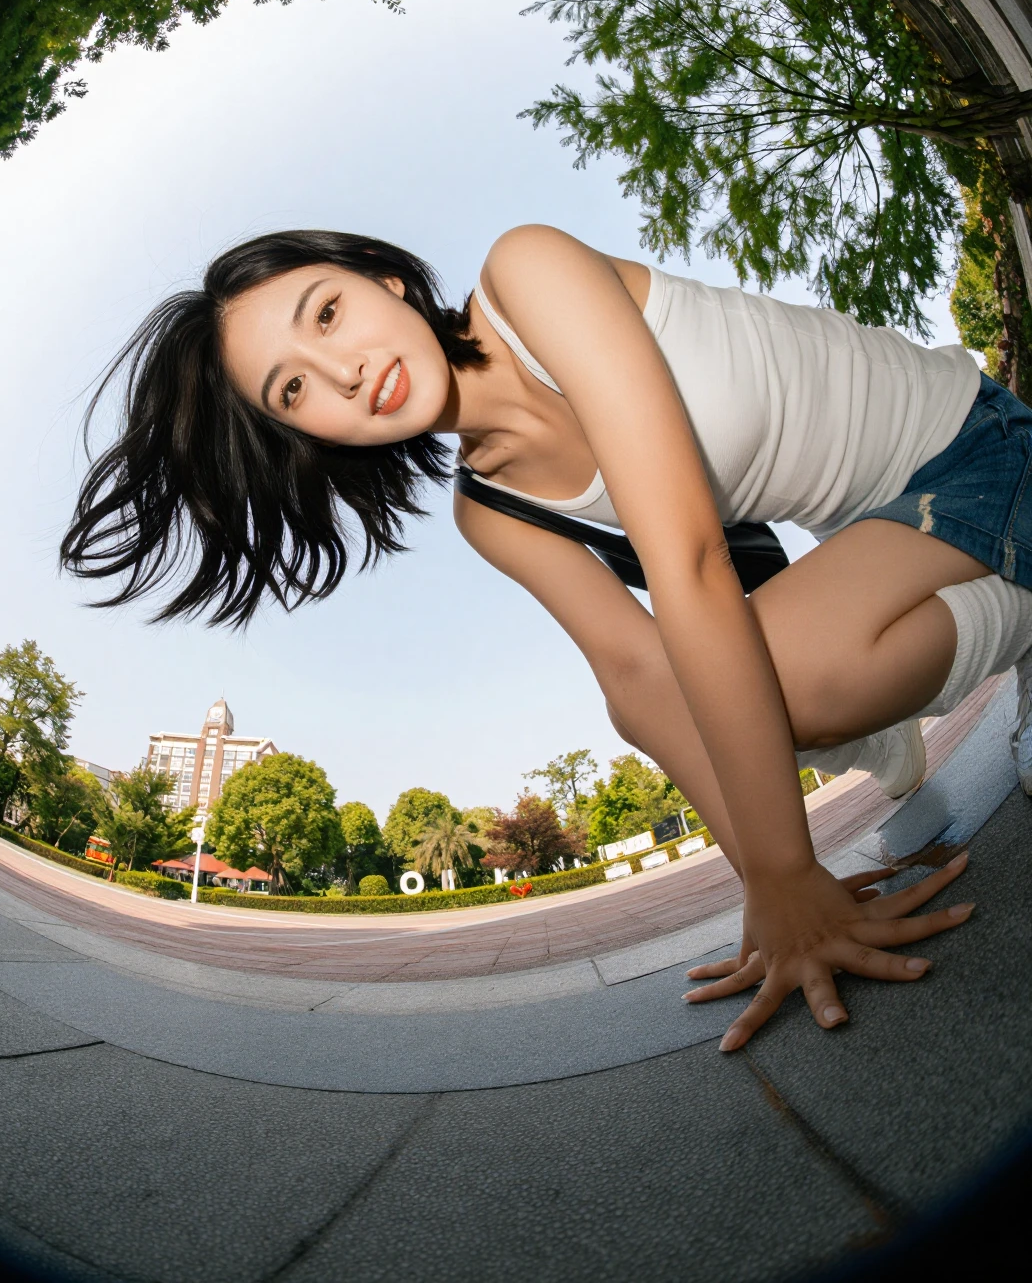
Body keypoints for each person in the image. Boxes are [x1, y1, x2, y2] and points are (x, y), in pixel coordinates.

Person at [62, 226, 1032, 1049]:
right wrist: (777, 897)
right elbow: (637, 679)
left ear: (386, 280)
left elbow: (691, 562)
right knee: (672, 692)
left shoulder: (528, 276)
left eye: (326, 314)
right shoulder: (492, 511)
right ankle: (872, 730)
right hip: (874, 539)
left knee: (762, 674)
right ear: (304, 435)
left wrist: (788, 873)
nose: (343, 370)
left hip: (974, 448)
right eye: (293, 390)